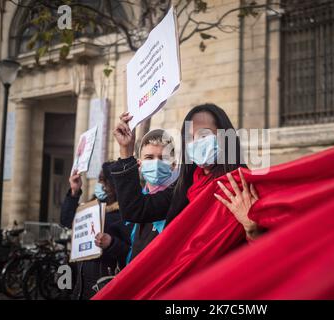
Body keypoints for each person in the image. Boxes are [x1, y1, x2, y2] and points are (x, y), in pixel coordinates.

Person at [112, 103, 263, 241]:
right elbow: (135, 210)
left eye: (204, 135)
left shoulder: (242, 186)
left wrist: (252, 229)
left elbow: (266, 253)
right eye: (190, 138)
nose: (197, 143)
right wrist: (126, 150)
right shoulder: (185, 187)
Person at [60, 161, 131, 300]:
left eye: (103, 180)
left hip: (102, 285)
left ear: (113, 184)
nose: (99, 184)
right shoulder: (92, 208)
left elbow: (130, 252)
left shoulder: (125, 214)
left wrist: (111, 243)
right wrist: (74, 192)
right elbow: (66, 221)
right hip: (81, 286)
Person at [125, 129, 178, 263]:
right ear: (139, 164)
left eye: (163, 158)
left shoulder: (179, 200)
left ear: (173, 164)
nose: (156, 163)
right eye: (149, 157)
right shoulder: (136, 201)